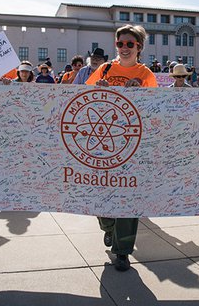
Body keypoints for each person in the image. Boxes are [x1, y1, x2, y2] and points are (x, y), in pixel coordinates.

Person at [86, 24, 157, 271]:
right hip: (102, 144)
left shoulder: (146, 74)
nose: (124, 48)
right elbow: (83, 98)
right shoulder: (105, 69)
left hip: (131, 144)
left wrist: (141, 96)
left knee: (128, 197)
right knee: (100, 194)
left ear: (139, 46)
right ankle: (109, 227)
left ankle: (123, 251)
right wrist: (99, 89)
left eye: (130, 44)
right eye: (120, 43)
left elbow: (156, 109)